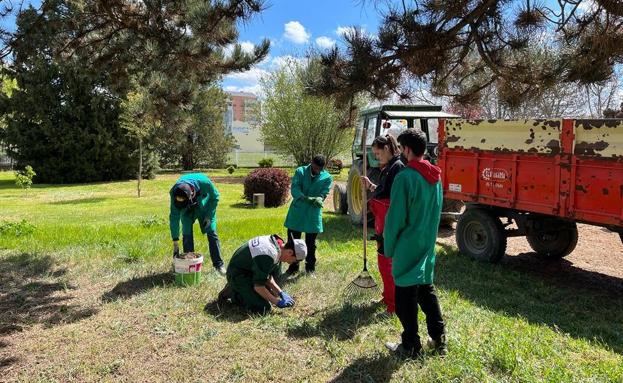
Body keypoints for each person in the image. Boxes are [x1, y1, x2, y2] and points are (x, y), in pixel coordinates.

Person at [383, 128, 447, 358]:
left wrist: (388, 246)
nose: (400, 152)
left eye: (401, 148)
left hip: (407, 244)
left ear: (408, 150)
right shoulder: (436, 177)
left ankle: (410, 345)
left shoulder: (405, 177)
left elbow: (396, 218)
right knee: (426, 291)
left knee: (404, 296)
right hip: (427, 242)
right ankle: (439, 338)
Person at [360, 134, 404, 315]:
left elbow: (395, 199)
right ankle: (387, 297)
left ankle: (393, 306)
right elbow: (383, 191)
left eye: (378, 154)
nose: (377, 158)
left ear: (387, 149)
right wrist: (371, 186)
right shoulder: (388, 168)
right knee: (382, 261)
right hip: (382, 223)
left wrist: (389, 227)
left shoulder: (397, 167)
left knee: (388, 265)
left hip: (389, 224)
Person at [218, 234, 307, 314]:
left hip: (249, 270)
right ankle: (233, 292)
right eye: (294, 260)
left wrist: (280, 293)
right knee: (263, 308)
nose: (290, 263)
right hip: (238, 275)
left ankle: (243, 290)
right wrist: (277, 302)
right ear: (290, 252)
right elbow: (259, 286)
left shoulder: (278, 244)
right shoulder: (268, 254)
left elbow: (267, 276)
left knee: (270, 294)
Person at [283, 155, 333, 276]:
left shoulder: (327, 177)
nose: (317, 171)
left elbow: (324, 191)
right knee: (293, 241)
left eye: (320, 169)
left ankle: (310, 268)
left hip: (313, 212)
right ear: (311, 163)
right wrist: (305, 198)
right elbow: (295, 188)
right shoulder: (300, 171)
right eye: (315, 168)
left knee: (311, 243)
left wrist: (320, 198)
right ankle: (293, 267)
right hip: (298, 211)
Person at [169, 172, 226, 275]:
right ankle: (190, 265)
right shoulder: (174, 192)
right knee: (186, 234)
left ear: (191, 194)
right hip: (186, 211)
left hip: (205, 208)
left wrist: (209, 216)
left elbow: (215, 197)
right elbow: (174, 217)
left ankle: (219, 265)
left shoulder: (204, 182)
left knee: (212, 233)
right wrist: (175, 242)